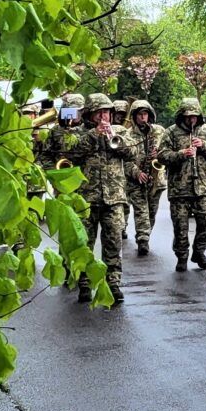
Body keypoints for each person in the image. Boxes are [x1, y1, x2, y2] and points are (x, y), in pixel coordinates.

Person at [74, 94, 131, 306]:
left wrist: (114, 137)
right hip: (86, 198)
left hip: (113, 197)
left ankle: (113, 283)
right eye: (99, 113)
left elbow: (131, 153)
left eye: (106, 112)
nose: (103, 116)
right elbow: (71, 154)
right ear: (90, 114)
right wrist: (93, 135)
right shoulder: (79, 133)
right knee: (84, 243)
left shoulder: (119, 131)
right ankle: (84, 283)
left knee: (114, 242)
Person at [159, 98, 206, 272]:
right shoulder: (171, 132)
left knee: (204, 223)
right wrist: (181, 154)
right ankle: (182, 256)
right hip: (180, 188)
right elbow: (161, 155)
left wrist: (204, 145)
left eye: (195, 116)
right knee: (180, 226)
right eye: (188, 116)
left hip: (202, 187)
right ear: (182, 116)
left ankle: (199, 252)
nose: (192, 119)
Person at [126, 99, 165, 257]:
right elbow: (124, 160)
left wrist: (159, 154)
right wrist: (137, 173)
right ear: (134, 116)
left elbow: (169, 149)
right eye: (140, 114)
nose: (143, 117)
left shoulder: (159, 131)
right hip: (136, 181)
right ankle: (143, 239)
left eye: (146, 114)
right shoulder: (128, 135)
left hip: (156, 180)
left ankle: (146, 234)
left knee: (151, 213)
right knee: (141, 211)